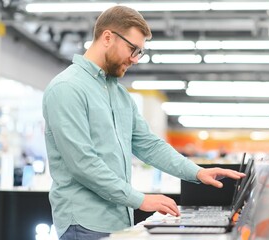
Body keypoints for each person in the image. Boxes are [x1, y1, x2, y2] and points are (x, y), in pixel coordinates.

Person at [42, 5, 246, 240]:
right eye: (132, 49)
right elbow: (82, 163)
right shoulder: (67, 88)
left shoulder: (118, 94)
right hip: (85, 223)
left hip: (119, 220)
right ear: (107, 37)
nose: (135, 59)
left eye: (139, 52)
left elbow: (148, 145)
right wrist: (141, 199)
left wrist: (198, 172)